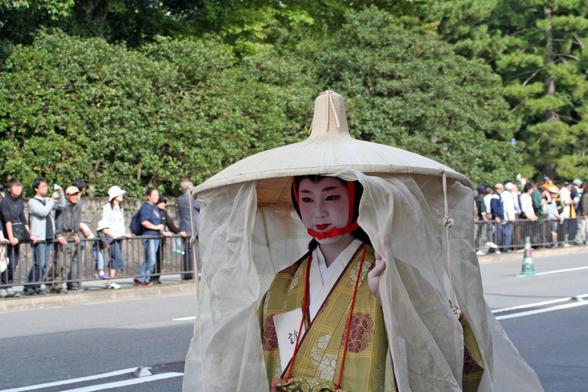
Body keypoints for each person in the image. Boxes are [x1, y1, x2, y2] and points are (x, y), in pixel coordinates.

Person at [183, 91, 543, 392]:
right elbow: (262, 359)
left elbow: (445, 352)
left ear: (357, 200)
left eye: (332, 197)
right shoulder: (284, 282)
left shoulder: (392, 270)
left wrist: (390, 299)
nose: (318, 211)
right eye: (307, 200)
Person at [26, 178, 65, 295]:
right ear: (36, 189)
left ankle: (35, 286)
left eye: (46, 186)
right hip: (39, 237)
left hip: (48, 236)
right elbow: (43, 212)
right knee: (39, 264)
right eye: (43, 186)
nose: (46, 188)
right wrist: (52, 200)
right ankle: (30, 287)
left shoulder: (48, 200)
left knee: (43, 265)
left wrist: (61, 192)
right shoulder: (32, 202)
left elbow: (62, 205)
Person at [0, 180, 31, 297]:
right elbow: (7, 220)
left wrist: (29, 233)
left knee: (14, 262)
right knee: (5, 262)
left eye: (20, 186)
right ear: (9, 189)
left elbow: (23, 219)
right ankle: (3, 286)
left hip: (17, 235)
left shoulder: (20, 201)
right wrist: (11, 237)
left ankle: (9, 285)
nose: (18, 189)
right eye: (15, 186)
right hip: (6, 237)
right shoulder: (5, 202)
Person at [134, 187, 170, 286]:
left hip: (156, 236)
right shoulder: (146, 207)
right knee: (151, 259)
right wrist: (156, 227)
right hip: (149, 236)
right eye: (154, 195)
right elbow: (144, 222)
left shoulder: (155, 207)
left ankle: (143, 278)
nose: (156, 197)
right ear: (148, 196)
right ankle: (142, 278)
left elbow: (159, 223)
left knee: (149, 259)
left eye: (157, 195)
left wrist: (162, 232)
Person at [51, 186, 84, 292]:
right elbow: (58, 220)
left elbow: (77, 220)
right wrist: (58, 235)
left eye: (77, 194)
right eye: (73, 194)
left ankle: (66, 284)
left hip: (72, 234)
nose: (75, 196)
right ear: (67, 195)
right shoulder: (63, 204)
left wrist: (77, 233)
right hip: (62, 235)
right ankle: (57, 286)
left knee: (68, 264)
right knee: (60, 263)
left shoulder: (78, 204)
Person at [101, 186, 127, 289]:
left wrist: (123, 233)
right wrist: (110, 234)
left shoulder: (120, 208)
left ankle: (110, 281)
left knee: (114, 259)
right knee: (116, 258)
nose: (122, 196)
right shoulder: (108, 207)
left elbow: (121, 223)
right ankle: (108, 280)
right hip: (112, 237)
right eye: (120, 194)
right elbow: (104, 223)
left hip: (119, 236)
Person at [151, 197, 179, 284]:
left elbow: (170, 224)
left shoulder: (164, 213)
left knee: (159, 258)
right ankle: (150, 277)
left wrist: (179, 231)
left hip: (161, 240)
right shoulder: (153, 212)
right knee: (152, 258)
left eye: (164, 202)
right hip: (153, 237)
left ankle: (157, 277)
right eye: (162, 202)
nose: (164, 204)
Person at [177, 179, 201, 280]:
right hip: (194, 228)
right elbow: (202, 207)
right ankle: (195, 272)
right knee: (195, 252)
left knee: (186, 252)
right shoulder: (193, 199)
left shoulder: (180, 199)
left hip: (185, 228)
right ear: (189, 188)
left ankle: (186, 273)